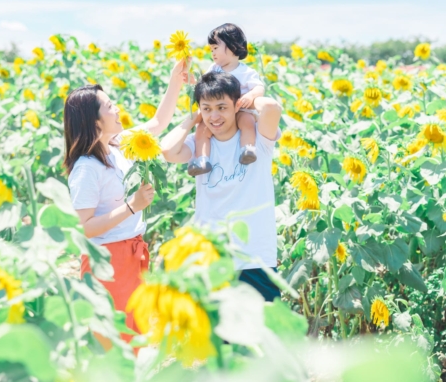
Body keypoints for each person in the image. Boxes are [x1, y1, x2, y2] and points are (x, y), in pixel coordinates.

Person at [64, 60, 187, 346]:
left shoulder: (119, 143)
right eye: (109, 106)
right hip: (106, 262)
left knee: (135, 333)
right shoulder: (86, 168)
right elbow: (84, 228)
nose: (117, 109)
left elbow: (158, 123)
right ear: (94, 121)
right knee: (112, 341)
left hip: (133, 253)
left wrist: (176, 81)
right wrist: (132, 206)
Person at [161, 71, 284, 301]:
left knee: (260, 333)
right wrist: (195, 117)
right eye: (207, 109)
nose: (214, 116)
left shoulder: (259, 138)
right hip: (211, 258)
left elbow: (272, 108)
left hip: (254, 257)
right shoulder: (199, 146)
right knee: (219, 335)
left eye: (222, 107)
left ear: (236, 105)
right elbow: (167, 150)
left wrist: (250, 96)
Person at [188, 23, 265, 176]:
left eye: (215, 48)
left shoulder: (246, 72)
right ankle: (202, 159)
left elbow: (259, 88)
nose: (213, 53)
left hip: (241, 110)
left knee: (247, 123)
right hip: (218, 111)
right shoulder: (214, 69)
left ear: (232, 46)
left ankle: (247, 150)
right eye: (211, 50)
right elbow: (204, 83)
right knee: (202, 129)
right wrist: (192, 80)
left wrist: (250, 96)